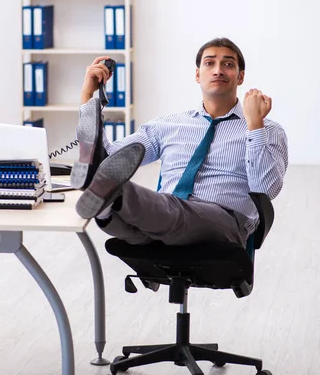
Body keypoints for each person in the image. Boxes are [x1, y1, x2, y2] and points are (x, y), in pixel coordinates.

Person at [71, 37, 288, 255]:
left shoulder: (266, 129)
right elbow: (108, 158)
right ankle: (109, 205)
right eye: (209, 63)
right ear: (197, 74)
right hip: (164, 219)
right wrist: (88, 97)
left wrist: (255, 125)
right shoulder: (167, 125)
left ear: (240, 77)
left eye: (228, 64)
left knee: (168, 210)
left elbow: (265, 189)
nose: (218, 70)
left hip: (225, 223)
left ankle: (113, 197)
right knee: (132, 223)